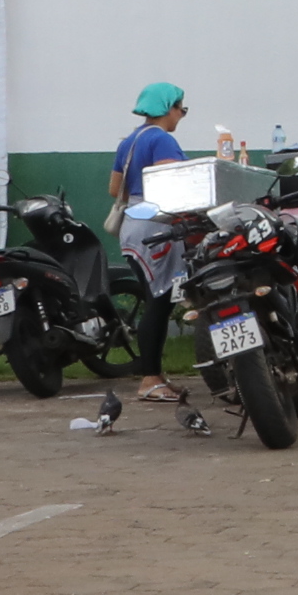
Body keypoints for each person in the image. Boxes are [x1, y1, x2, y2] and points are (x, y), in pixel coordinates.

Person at [110, 82, 195, 402]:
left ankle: (156, 376)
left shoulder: (129, 141)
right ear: (168, 107)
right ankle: (149, 379)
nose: (181, 116)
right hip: (155, 228)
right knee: (158, 303)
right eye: (180, 109)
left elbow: (114, 189)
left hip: (133, 226)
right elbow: (171, 183)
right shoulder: (161, 139)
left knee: (158, 300)